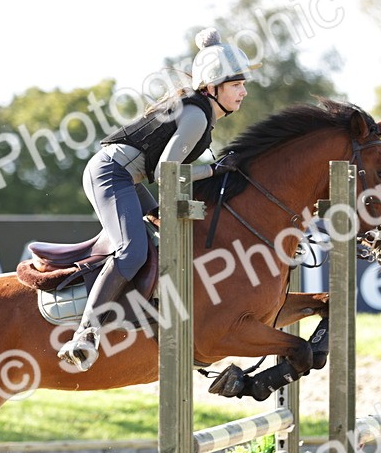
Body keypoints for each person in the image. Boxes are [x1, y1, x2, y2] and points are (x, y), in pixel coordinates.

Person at [57, 28, 260, 371]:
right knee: (132, 252)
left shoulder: (202, 112)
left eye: (243, 84)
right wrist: (213, 170)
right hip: (111, 174)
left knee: (167, 234)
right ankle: (85, 334)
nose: (243, 91)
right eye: (236, 84)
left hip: (127, 177)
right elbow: (168, 173)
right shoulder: (197, 115)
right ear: (213, 87)